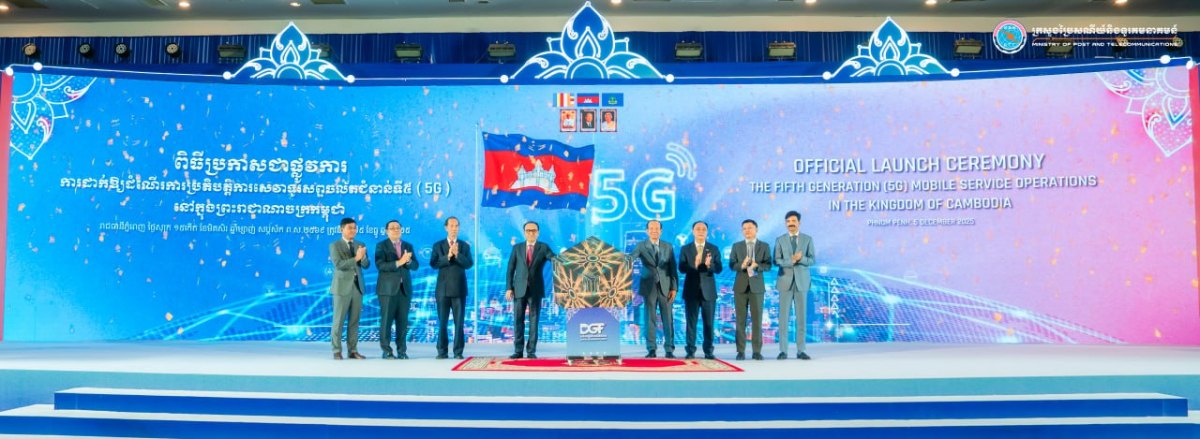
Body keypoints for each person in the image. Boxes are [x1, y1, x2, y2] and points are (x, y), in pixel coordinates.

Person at [505, 221, 555, 359]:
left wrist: (566, 259)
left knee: (534, 321)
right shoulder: (517, 248)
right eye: (528, 230)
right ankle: (518, 350)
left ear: (538, 232)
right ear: (524, 232)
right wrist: (509, 288)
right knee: (518, 320)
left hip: (535, 290)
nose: (531, 233)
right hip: (519, 289)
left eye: (533, 230)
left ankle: (531, 351)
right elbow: (510, 269)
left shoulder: (543, 247)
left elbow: (554, 259)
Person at [632, 219, 677, 358]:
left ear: (661, 231)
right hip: (649, 286)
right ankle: (651, 349)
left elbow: (673, 268)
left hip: (666, 286)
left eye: (657, 228)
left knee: (668, 319)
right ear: (647, 231)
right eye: (651, 228)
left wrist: (674, 288)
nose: (654, 231)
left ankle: (669, 349)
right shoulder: (641, 245)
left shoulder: (668, 246)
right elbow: (631, 258)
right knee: (649, 318)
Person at [431, 216, 474, 359]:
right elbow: (434, 264)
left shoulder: (464, 246)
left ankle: (458, 352)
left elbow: (468, 264)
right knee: (442, 323)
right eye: (451, 226)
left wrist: (457, 254)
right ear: (446, 227)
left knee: (459, 323)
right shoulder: (438, 245)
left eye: (456, 226)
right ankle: (442, 351)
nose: (454, 228)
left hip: (459, 289)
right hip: (442, 290)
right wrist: (448, 256)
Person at [678, 220, 722, 360]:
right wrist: (694, 265)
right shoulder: (685, 249)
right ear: (693, 231)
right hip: (691, 290)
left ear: (707, 232)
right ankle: (690, 351)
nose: (701, 231)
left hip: (708, 291)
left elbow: (719, 268)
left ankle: (708, 351)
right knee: (691, 323)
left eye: (703, 229)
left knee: (709, 323)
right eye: (698, 229)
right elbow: (681, 268)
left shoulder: (713, 248)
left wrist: (709, 266)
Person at [375, 220, 418, 360]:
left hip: (404, 289)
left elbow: (415, 265)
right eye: (392, 228)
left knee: (402, 322)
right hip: (387, 290)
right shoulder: (381, 246)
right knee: (386, 321)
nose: (395, 230)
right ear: (386, 231)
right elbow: (381, 266)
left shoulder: (408, 246)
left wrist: (408, 261)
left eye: (398, 228)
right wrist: (399, 262)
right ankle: (386, 350)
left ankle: (402, 351)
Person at [775, 210, 815, 360]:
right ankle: (783, 351)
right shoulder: (780, 240)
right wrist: (790, 261)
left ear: (799, 222)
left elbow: (812, 260)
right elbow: (776, 260)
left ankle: (801, 350)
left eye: (793, 221)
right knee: (783, 319)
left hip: (802, 282)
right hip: (784, 281)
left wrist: (801, 259)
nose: (790, 224)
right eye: (788, 221)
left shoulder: (807, 239)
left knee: (801, 318)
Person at [729, 219, 771, 360]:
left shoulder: (764, 246)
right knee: (740, 320)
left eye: (750, 228)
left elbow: (768, 265)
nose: (747, 230)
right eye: (744, 228)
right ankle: (740, 351)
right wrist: (741, 265)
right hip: (740, 286)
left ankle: (756, 351)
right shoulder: (737, 246)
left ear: (756, 229)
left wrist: (756, 266)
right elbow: (731, 264)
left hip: (757, 287)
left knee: (757, 320)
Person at [329, 217, 370, 360]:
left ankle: (353, 350)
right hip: (341, 287)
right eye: (349, 228)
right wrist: (357, 258)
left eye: (354, 228)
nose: (353, 230)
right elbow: (339, 264)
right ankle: (336, 350)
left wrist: (362, 258)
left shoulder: (360, 244)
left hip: (357, 287)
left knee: (354, 321)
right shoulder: (335, 245)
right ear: (342, 229)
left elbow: (366, 265)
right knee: (338, 321)